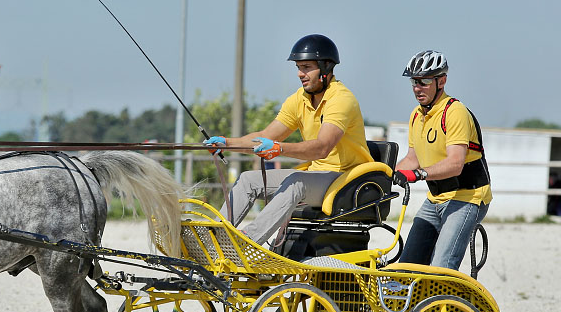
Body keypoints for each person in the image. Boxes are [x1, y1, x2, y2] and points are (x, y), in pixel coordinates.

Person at [204, 34, 373, 245]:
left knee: (296, 182)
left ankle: (247, 241)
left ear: (326, 68)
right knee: (248, 179)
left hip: (346, 180)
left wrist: (278, 149)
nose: (300, 74)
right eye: (298, 67)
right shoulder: (298, 99)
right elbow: (265, 137)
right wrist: (227, 144)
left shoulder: (341, 99)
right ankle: (211, 237)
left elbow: (321, 148)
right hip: (317, 176)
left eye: (307, 67)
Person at [393, 49, 492, 271]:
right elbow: (413, 158)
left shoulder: (454, 112)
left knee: (441, 266)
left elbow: (455, 164)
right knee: (407, 265)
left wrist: (419, 175)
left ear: (442, 81)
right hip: (435, 198)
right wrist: (383, 175)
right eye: (414, 82)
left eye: (424, 81)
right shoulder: (417, 115)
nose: (417, 88)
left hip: (467, 197)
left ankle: (445, 305)